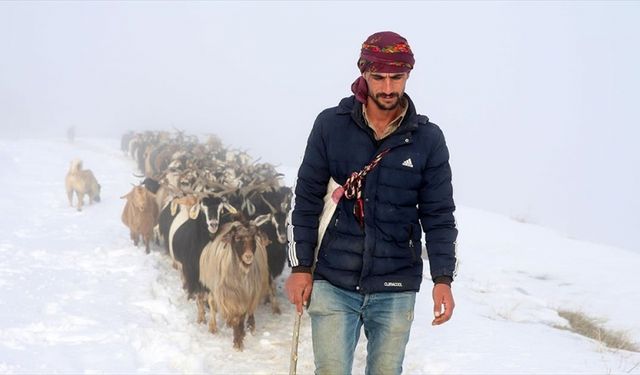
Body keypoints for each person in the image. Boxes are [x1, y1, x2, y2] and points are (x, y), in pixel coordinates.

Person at [285, 31, 458, 375]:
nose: (388, 88)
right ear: (363, 73)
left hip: (396, 285)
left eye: (397, 77)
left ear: (408, 75)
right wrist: (301, 267)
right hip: (333, 279)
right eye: (379, 77)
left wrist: (443, 278)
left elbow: (438, 215)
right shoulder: (330, 126)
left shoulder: (428, 139)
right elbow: (305, 201)